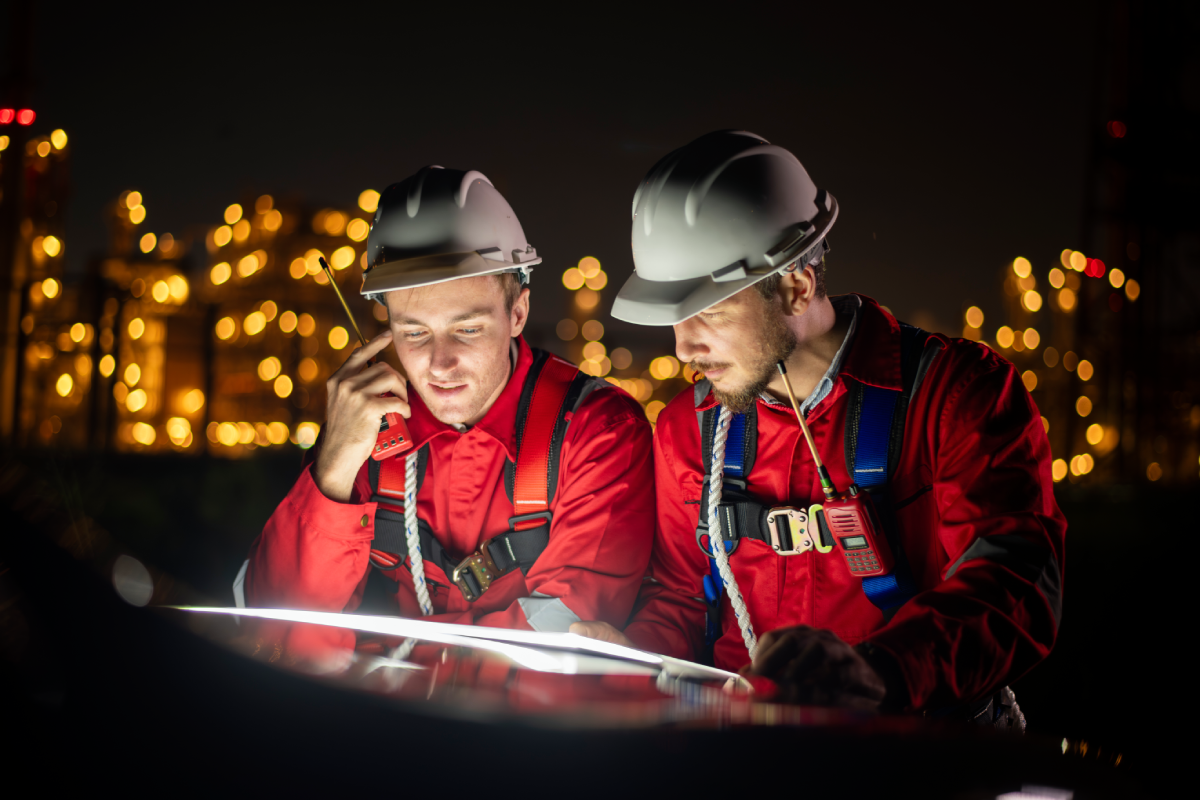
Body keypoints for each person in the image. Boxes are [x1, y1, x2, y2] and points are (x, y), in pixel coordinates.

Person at [572, 131, 1064, 723]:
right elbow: (679, 596)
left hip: (915, 749)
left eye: (709, 311)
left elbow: (1012, 585)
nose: (683, 347)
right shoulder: (689, 428)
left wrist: (878, 673)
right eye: (674, 317)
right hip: (744, 753)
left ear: (796, 286)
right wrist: (634, 653)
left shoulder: (954, 395)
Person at [242, 166, 654, 661]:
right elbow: (275, 630)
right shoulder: (364, 434)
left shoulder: (596, 432)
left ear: (517, 313)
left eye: (467, 330)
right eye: (414, 333)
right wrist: (332, 472)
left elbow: (568, 642)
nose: (439, 364)